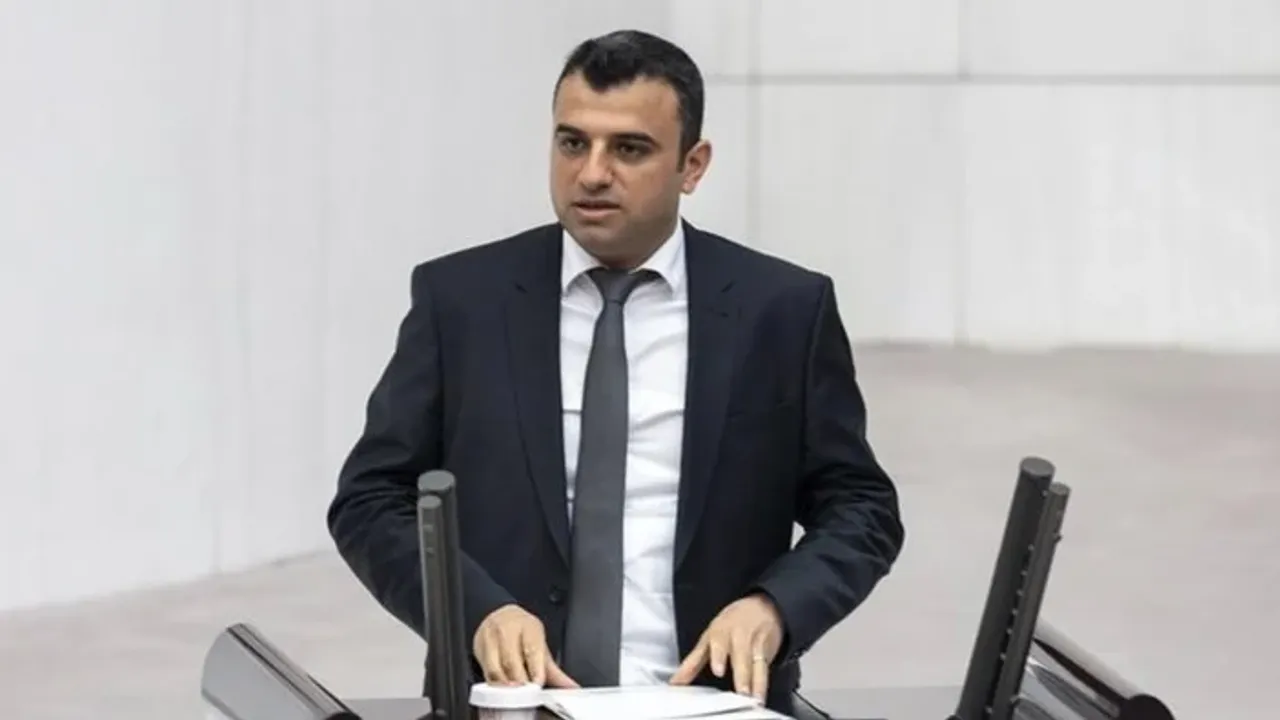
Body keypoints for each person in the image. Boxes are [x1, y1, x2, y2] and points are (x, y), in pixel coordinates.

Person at [327, 28, 905, 713]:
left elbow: (861, 507)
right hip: (511, 705)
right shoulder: (462, 301)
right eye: (573, 143)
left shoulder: (781, 310)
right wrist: (475, 612)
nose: (592, 173)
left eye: (629, 149)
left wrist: (774, 607)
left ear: (693, 166)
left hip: (714, 705)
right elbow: (371, 499)